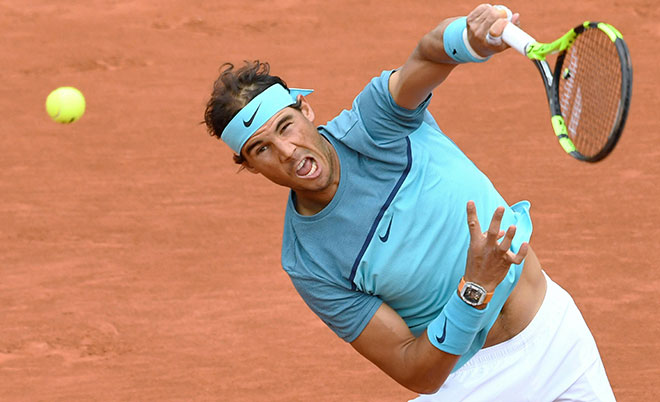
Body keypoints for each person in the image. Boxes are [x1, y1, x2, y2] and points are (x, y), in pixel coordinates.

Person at [203, 4, 615, 401]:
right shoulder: (309, 261)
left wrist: (469, 38)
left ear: (306, 110)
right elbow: (414, 369)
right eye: (262, 149)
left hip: (558, 334)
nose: (288, 152)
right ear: (250, 166)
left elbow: (429, 53)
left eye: (286, 126)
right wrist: (475, 287)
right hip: (473, 384)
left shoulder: (376, 123)